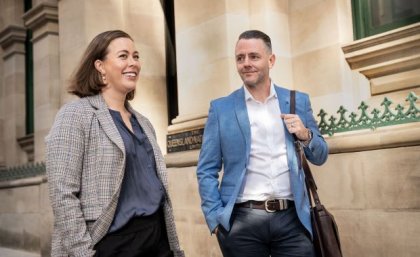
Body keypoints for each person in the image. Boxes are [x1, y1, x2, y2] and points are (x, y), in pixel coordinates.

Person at [45, 30, 184, 257]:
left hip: (157, 238)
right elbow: (62, 193)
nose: (133, 63)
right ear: (100, 66)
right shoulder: (75, 114)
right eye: (123, 56)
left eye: (136, 56)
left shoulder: (144, 122)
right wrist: (84, 253)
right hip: (110, 243)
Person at [196, 30, 329, 257]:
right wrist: (216, 219)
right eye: (240, 58)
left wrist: (306, 134)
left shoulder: (297, 101)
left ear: (271, 60)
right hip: (242, 222)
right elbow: (206, 169)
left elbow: (321, 155)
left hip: (292, 219)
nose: (246, 63)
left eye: (253, 56)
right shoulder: (222, 109)